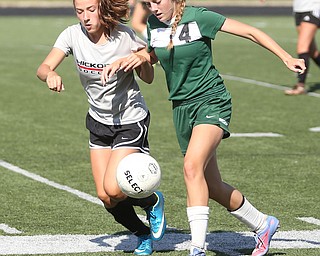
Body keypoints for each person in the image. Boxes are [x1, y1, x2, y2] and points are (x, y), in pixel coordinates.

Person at [103, 1, 306, 255]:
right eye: (148, 2)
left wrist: (286, 57)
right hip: (181, 109)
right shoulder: (155, 24)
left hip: (211, 100)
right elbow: (155, 53)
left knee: (191, 167)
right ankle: (262, 224)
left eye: (158, 1)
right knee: (213, 186)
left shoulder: (199, 17)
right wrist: (141, 56)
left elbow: (251, 32)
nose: (153, 7)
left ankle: (197, 248)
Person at [36, 0, 166, 255]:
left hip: (130, 120)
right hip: (98, 122)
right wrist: (50, 73)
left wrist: (138, 61)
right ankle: (142, 234)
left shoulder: (124, 36)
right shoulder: (72, 35)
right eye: (80, 11)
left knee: (114, 188)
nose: (85, 17)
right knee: (106, 197)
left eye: (91, 10)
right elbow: (43, 67)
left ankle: (152, 199)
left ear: (102, 9)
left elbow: (149, 79)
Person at [283, 0, 320, 95]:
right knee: (312, 51)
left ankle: (300, 86)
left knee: (302, 47)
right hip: (299, 9)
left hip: (312, 8)